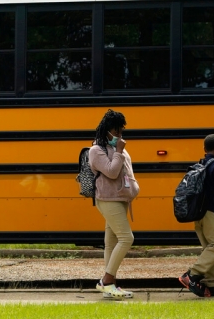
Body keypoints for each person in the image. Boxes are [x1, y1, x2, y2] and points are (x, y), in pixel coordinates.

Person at [90, 109, 140, 299]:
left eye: (121, 132)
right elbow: (111, 172)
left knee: (110, 243)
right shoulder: (96, 150)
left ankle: (110, 288)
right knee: (127, 238)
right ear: (106, 130)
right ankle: (106, 281)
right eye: (116, 132)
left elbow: (124, 172)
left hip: (120, 199)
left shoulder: (118, 149)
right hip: (108, 199)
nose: (119, 136)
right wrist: (119, 151)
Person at [178, 134, 214, 297]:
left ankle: (209, 284)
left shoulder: (199, 165)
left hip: (198, 213)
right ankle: (192, 275)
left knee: (209, 247)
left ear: (204, 149)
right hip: (211, 212)